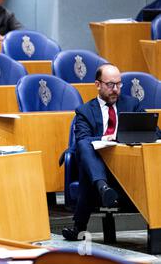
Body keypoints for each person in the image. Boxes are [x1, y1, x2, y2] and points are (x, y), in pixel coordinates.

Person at [62, 64, 161, 241]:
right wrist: (105, 138)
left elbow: (155, 131)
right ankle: (103, 187)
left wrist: (129, 137)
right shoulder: (84, 111)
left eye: (118, 84)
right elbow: (82, 138)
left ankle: (80, 227)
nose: (115, 89)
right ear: (97, 85)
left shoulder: (132, 104)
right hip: (99, 167)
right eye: (110, 85)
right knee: (84, 144)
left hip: (128, 168)